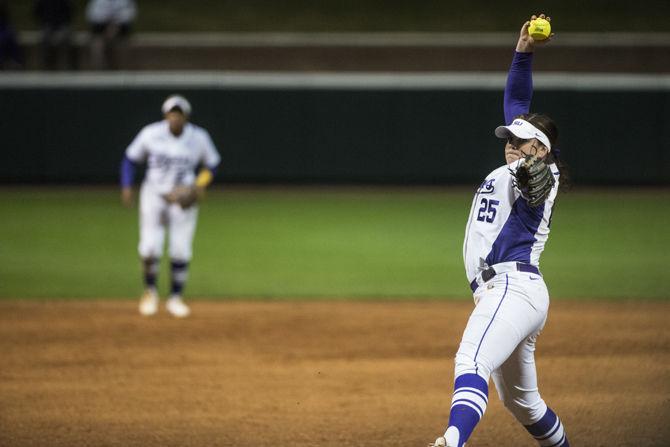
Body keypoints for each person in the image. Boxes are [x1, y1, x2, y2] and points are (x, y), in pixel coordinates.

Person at [430, 14, 570, 447]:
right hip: (509, 292)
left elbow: (537, 178)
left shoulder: (538, 174)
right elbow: (516, 100)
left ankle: (451, 441)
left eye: (522, 139)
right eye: (509, 135)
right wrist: (523, 52)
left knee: (471, 359)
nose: (511, 141)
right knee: (524, 404)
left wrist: (539, 167)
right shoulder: (516, 158)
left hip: (512, 287)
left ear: (541, 150)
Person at [120, 95, 221, 318]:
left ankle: (175, 298)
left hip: (184, 199)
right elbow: (129, 159)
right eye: (171, 113)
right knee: (149, 248)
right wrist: (127, 186)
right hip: (154, 195)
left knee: (180, 249)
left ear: (186, 116)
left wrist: (198, 185)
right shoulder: (151, 133)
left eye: (179, 113)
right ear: (166, 115)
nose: (175, 117)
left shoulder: (199, 137)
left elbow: (212, 165)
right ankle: (150, 292)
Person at [86, 0, 136, 69]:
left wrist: (115, 24)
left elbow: (129, 14)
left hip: (120, 27)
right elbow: (93, 15)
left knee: (124, 43)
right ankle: (100, 70)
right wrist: (107, 25)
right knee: (97, 44)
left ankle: (124, 70)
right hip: (101, 28)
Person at [33, 0, 77, 70]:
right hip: (47, 24)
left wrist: (65, 22)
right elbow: (36, 11)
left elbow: (71, 11)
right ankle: (47, 65)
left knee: (66, 38)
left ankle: (67, 65)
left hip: (62, 24)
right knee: (45, 38)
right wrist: (43, 21)